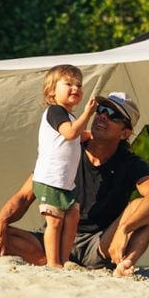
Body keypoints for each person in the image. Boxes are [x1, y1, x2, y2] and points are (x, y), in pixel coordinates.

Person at [0, 91, 149, 277]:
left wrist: (125, 229)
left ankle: (125, 265)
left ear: (125, 133)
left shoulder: (131, 163)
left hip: (100, 244)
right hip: (56, 238)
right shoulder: (66, 149)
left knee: (142, 213)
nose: (102, 116)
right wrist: (0, 222)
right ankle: (58, 264)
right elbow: (23, 197)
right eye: (101, 109)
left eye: (113, 115)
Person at [32, 64, 96, 268]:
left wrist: (92, 135)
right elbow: (70, 133)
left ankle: (65, 259)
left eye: (78, 85)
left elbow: (76, 136)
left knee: (73, 217)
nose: (75, 88)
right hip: (50, 179)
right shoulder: (55, 111)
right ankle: (53, 262)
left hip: (66, 182)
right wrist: (88, 114)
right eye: (68, 84)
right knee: (55, 221)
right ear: (52, 91)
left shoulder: (69, 116)